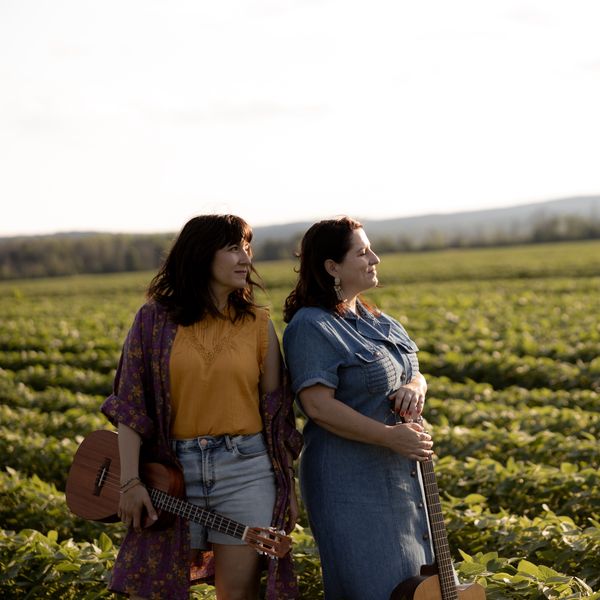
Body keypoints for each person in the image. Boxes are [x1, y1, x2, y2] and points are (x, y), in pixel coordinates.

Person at [100, 214, 302, 600]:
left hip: (247, 472)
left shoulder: (258, 324)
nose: (246, 258)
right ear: (200, 255)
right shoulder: (152, 321)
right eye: (233, 248)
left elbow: (278, 418)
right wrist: (130, 482)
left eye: (247, 247)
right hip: (171, 474)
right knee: (156, 591)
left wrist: (286, 486)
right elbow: (131, 407)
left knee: (238, 594)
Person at [282, 216, 434, 600]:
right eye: (362, 252)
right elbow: (318, 406)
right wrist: (390, 436)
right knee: (375, 587)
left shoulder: (378, 320)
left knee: (416, 588)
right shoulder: (311, 326)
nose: (375, 259)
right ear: (332, 267)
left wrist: (415, 387)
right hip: (349, 483)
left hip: (401, 477)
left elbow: (414, 371)